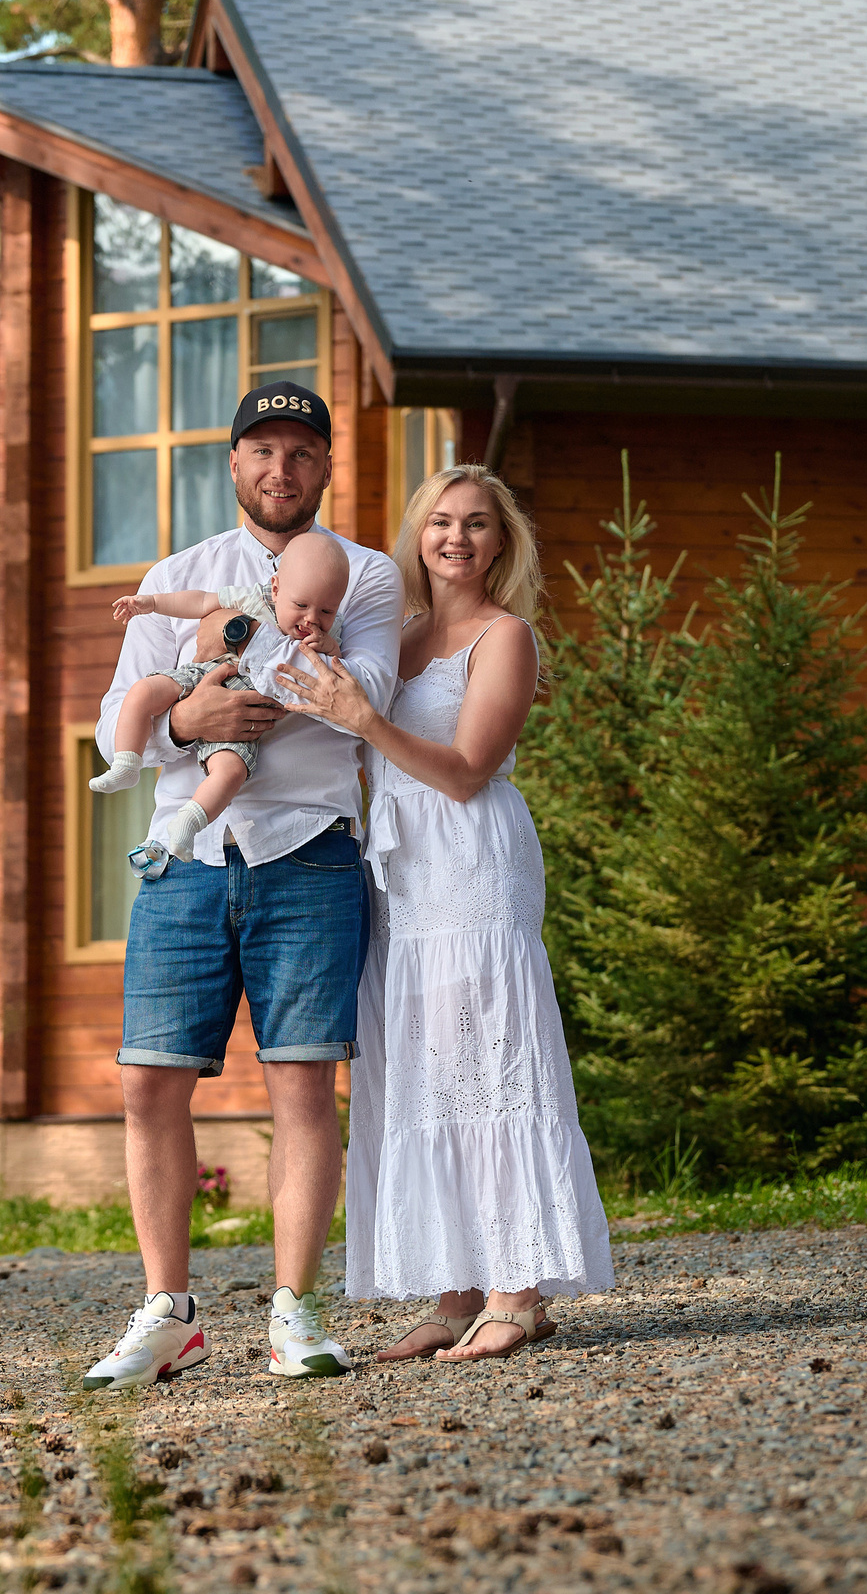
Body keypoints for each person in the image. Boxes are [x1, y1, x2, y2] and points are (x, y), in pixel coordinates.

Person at [80, 380, 404, 1391]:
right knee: (148, 1082)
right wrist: (186, 726)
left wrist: (244, 666)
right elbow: (113, 721)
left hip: (309, 850)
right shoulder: (177, 574)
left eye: (300, 452)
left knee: (303, 1082)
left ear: (323, 468)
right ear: (233, 465)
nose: (281, 468)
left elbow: (371, 699)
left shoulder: (370, 577)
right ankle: (168, 1312)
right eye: (262, 451)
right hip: (183, 859)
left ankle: (293, 1311)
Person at [276, 463, 613, 1361]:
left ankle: (518, 1289)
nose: (455, 537)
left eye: (475, 524)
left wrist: (366, 721)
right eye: (438, 522)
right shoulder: (398, 633)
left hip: (471, 862)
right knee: (425, 1066)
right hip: (402, 874)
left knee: (489, 1055)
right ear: (416, 537)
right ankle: (455, 1289)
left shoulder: (508, 638)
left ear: (502, 543)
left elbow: (467, 770)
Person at [91, 531, 352, 866]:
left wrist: (330, 647)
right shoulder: (253, 599)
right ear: (275, 588)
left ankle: (189, 822)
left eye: (326, 610)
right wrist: (153, 604)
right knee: (143, 691)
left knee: (230, 772)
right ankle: (127, 764)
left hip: (247, 718)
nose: (311, 619)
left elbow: (334, 680)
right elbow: (200, 601)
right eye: (300, 605)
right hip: (205, 675)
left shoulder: (327, 634)